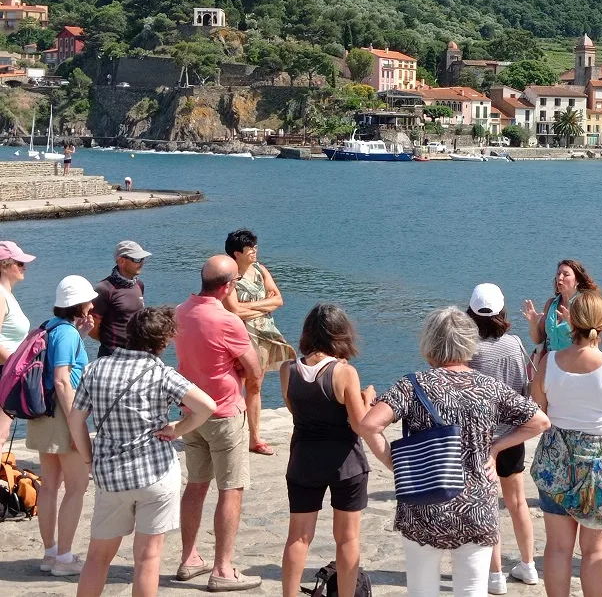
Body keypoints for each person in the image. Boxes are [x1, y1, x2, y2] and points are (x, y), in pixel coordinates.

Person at [360, 306, 550, 597]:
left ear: (429, 343)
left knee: (422, 591)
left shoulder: (411, 386)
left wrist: (396, 463)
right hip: (476, 504)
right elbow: (540, 421)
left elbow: (369, 425)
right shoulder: (489, 387)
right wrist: (495, 448)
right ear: (469, 343)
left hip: (424, 502)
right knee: (472, 591)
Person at [67, 306, 218, 597]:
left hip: (110, 476)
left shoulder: (95, 369)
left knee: (97, 557)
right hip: (155, 473)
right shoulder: (162, 373)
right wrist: (177, 429)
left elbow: (76, 420)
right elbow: (207, 406)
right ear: (164, 342)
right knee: (148, 557)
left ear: (130, 333)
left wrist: (89, 459)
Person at [530, 289, 602, 597]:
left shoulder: (548, 362)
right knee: (596, 550)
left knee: (558, 547)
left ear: (569, 321)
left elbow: (540, 409)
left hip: (555, 459)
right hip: (601, 463)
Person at [174, 255, 264, 592]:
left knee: (196, 484)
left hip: (190, 412)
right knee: (231, 488)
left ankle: (188, 558)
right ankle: (222, 568)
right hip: (225, 414)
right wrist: (243, 382)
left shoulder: (181, 312)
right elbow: (254, 370)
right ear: (228, 286)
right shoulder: (228, 321)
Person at [280, 304, 375, 597]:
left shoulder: (288, 369)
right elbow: (360, 425)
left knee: (298, 536)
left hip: (304, 460)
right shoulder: (345, 372)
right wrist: (368, 398)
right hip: (345, 463)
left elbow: (295, 409)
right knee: (347, 540)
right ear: (342, 334)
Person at [465, 284, 538, 594]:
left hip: (479, 438)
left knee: (486, 505)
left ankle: (494, 575)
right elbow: (525, 386)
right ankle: (529, 565)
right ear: (502, 312)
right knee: (517, 501)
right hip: (511, 434)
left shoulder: (467, 349)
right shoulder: (514, 344)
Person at [26, 275, 98, 577]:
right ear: (78, 305)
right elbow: (61, 379)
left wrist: (79, 336)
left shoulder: (50, 326)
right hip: (62, 415)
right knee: (78, 486)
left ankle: (50, 553)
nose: (93, 304)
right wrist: (76, 423)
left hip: (41, 414)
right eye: (89, 300)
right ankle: (65, 560)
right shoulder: (67, 334)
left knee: (51, 485)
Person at [223, 228, 295, 456]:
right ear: (237, 253)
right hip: (239, 337)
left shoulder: (260, 270)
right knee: (237, 385)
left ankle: (254, 437)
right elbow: (232, 309)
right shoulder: (229, 276)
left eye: (255, 246)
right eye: (249, 248)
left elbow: (279, 300)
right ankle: (234, 435)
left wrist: (248, 309)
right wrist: (263, 306)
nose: (255, 251)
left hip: (263, 336)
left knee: (255, 385)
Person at [521, 260, 599, 361]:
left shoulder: (584, 304)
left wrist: (572, 323)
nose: (560, 278)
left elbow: (590, 341)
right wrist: (533, 323)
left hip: (575, 363)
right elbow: (538, 340)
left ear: (577, 280)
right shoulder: (551, 304)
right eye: (558, 274)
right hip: (551, 364)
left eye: (566, 274)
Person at [90, 240, 151, 358]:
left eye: (143, 259)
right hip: (112, 356)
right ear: (121, 261)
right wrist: (110, 343)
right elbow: (92, 327)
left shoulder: (139, 284)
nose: (142, 263)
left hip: (137, 353)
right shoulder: (105, 289)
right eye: (137, 259)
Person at [0, 240, 34, 450]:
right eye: (20, 263)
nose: (24, 267)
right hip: (4, 371)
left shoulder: (8, 295)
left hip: (7, 370)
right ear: (4, 265)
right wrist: (16, 367)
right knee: (1, 433)